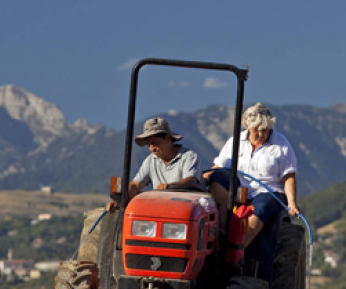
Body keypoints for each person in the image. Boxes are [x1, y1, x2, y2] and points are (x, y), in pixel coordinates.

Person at [203, 102, 299, 248]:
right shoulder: (236, 141)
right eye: (256, 130)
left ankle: (238, 248)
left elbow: (288, 176)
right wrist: (202, 179)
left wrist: (291, 203)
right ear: (248, 127)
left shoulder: (281, 145)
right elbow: (219, 166)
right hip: (238, 189)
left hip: (267, 192)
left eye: (265, 130)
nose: (261, 134)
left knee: (260, 208)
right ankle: (221, 233)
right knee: (217, 176)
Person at [108, 117, 200, 211]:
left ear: (167, 138)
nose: (152, 148)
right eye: (149, 145)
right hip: (160, 206)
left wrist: (168, 187)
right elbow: (135, 185)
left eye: (155, 143)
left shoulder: (188, 156)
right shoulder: (151, 160)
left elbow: (191, 181)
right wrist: (120, 200)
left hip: (185, 207)